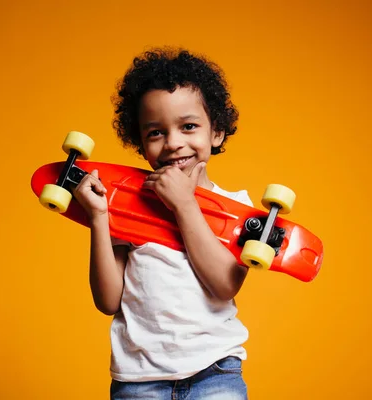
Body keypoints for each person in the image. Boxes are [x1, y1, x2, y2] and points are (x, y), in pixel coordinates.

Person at [73, 47, 253, 400]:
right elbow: (109, 300)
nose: (173, 143)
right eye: (155, 132)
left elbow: (224, 285)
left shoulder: (238, 210)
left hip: (215, 371)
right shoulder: (127, 205)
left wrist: (185, 204)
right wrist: (98, 218)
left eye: (188, 126)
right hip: (139, 380)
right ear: (140, 144)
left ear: (215, 132)